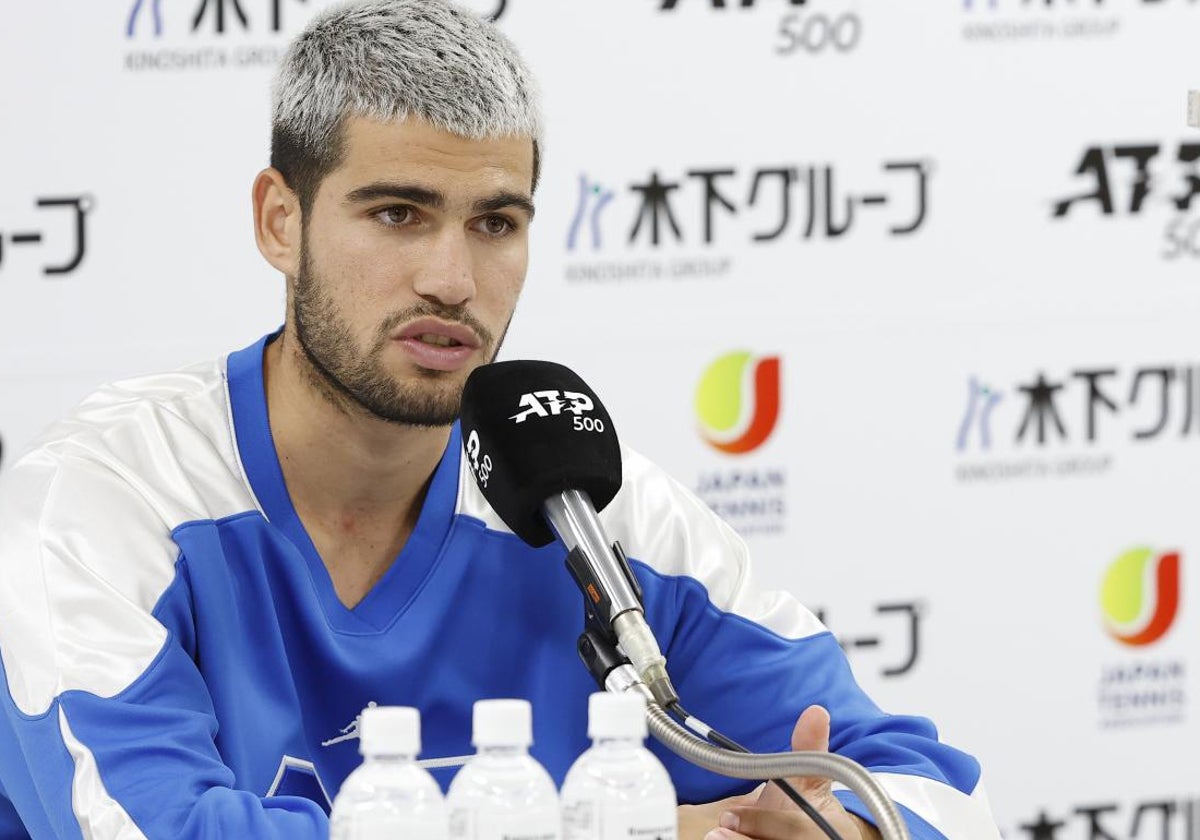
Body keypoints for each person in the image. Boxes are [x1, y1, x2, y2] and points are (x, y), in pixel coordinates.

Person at [0, 2, 1001, 838]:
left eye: (496, 223)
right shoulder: (105, 501)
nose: (452, 279)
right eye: (398, 213)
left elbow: (937, 792)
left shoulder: (594, 513)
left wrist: (851, 829)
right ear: (280, 220)